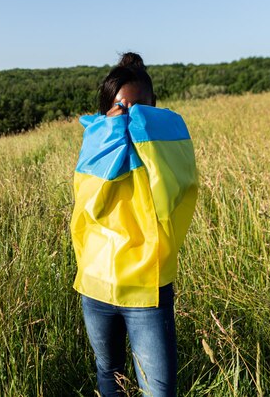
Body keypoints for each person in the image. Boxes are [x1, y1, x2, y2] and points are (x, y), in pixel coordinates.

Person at [70, 53, 198, 396]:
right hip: (97, 285)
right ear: (105, 112)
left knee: (158, 389)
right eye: (121, 107)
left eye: (141, 107)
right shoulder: (97, 144)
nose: (131, 115)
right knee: (109, 374)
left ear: (155, 107)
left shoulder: (168, 148)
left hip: (147, 286)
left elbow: (169, 198)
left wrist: (146, 140)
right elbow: (89, 205)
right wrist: (110, 138)